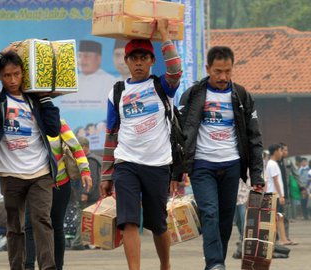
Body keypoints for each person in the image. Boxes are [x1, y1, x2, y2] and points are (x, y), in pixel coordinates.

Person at [99, 20, 182, 270]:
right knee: (128, 221)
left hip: (157, 164)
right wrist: (106, 174)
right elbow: (111, 134)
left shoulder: (162, 86)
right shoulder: (117, 92)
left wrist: (165, 36)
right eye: (133, 58)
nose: (138, 63)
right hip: (126, 164)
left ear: (151, 61)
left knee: (158, 224)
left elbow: (176, 71)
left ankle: (165, 264)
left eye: (143, 58)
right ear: (126, 62)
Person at [177, 46, 265, 270]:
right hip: (202, 165)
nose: (223, 77)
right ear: (208, 69)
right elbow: (180, 135)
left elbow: (254, 136)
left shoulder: (242, 96)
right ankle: (215, 263)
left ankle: (217, 263)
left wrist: (257, 175)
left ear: (232, 68)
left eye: (227, 71)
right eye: (218, 71)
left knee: (226, 221)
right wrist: (176, 172)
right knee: (210, 213)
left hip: (232, 165)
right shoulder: (193, 95)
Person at [0, 43, 61, 270]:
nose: (12, 80)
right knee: (14, 227)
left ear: (24, 74)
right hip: (11, 174)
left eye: (16, 74)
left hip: (40, 173)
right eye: (6, 76)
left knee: (42, 221)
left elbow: (53, 130)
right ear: (0, 78)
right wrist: (1, 54)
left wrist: (45, 98)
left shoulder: (35, 101)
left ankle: (48, 267)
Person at [25, 119, 92, 270]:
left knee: (56, 226)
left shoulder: (57, 122)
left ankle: (57, 267)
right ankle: (28, 266)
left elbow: (76, 147)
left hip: (58, 184)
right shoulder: (24, 122)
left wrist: (85, 171)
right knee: (29, 226)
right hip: (32, 183)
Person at [61, 40, 116, 109]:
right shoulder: (71, 81)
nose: (81, 60)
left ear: (98, 59)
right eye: (79, 56)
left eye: (86, 56)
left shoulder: (110, 81)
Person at [71, 136, 101, 250]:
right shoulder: (92, 159)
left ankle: (78, 242)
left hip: (88, 196)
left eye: (79, 147)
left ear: (85, 147)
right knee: (86, 219)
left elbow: (91, 178)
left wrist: (85, 193)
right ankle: (84, 242)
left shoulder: (90, 160)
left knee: (82, 218)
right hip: (90, 195)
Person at [265, 144, 297, 245]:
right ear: (275, 152)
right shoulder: (272, 164)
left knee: (280, 217)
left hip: (275, 194)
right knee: (278, 217)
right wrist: (281, 195)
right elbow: (275, 181)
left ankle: (283, 239)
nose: (281, 153)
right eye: (280, 150)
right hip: (275, 195)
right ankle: (280, 239)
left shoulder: (273, 163)